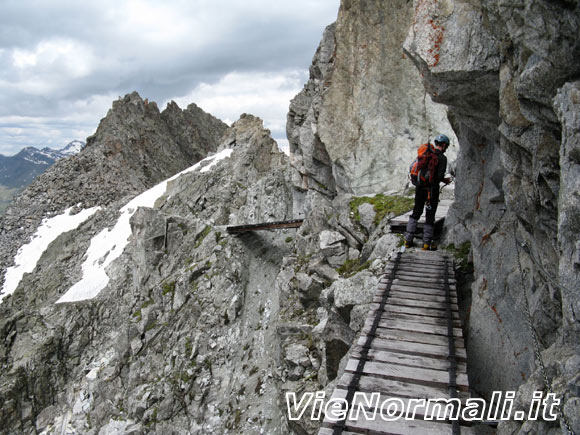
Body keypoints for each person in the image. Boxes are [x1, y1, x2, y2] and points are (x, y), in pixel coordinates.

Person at [404, 134, 452, 250]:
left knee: (416, 212)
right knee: (430, 216)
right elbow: (439, 176)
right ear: (444, 145)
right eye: (446, 146)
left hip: (420, 188)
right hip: (432, 191)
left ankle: (408, 240)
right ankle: (426, 244)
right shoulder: (442, 158)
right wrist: (444, 179)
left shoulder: (426, 154)